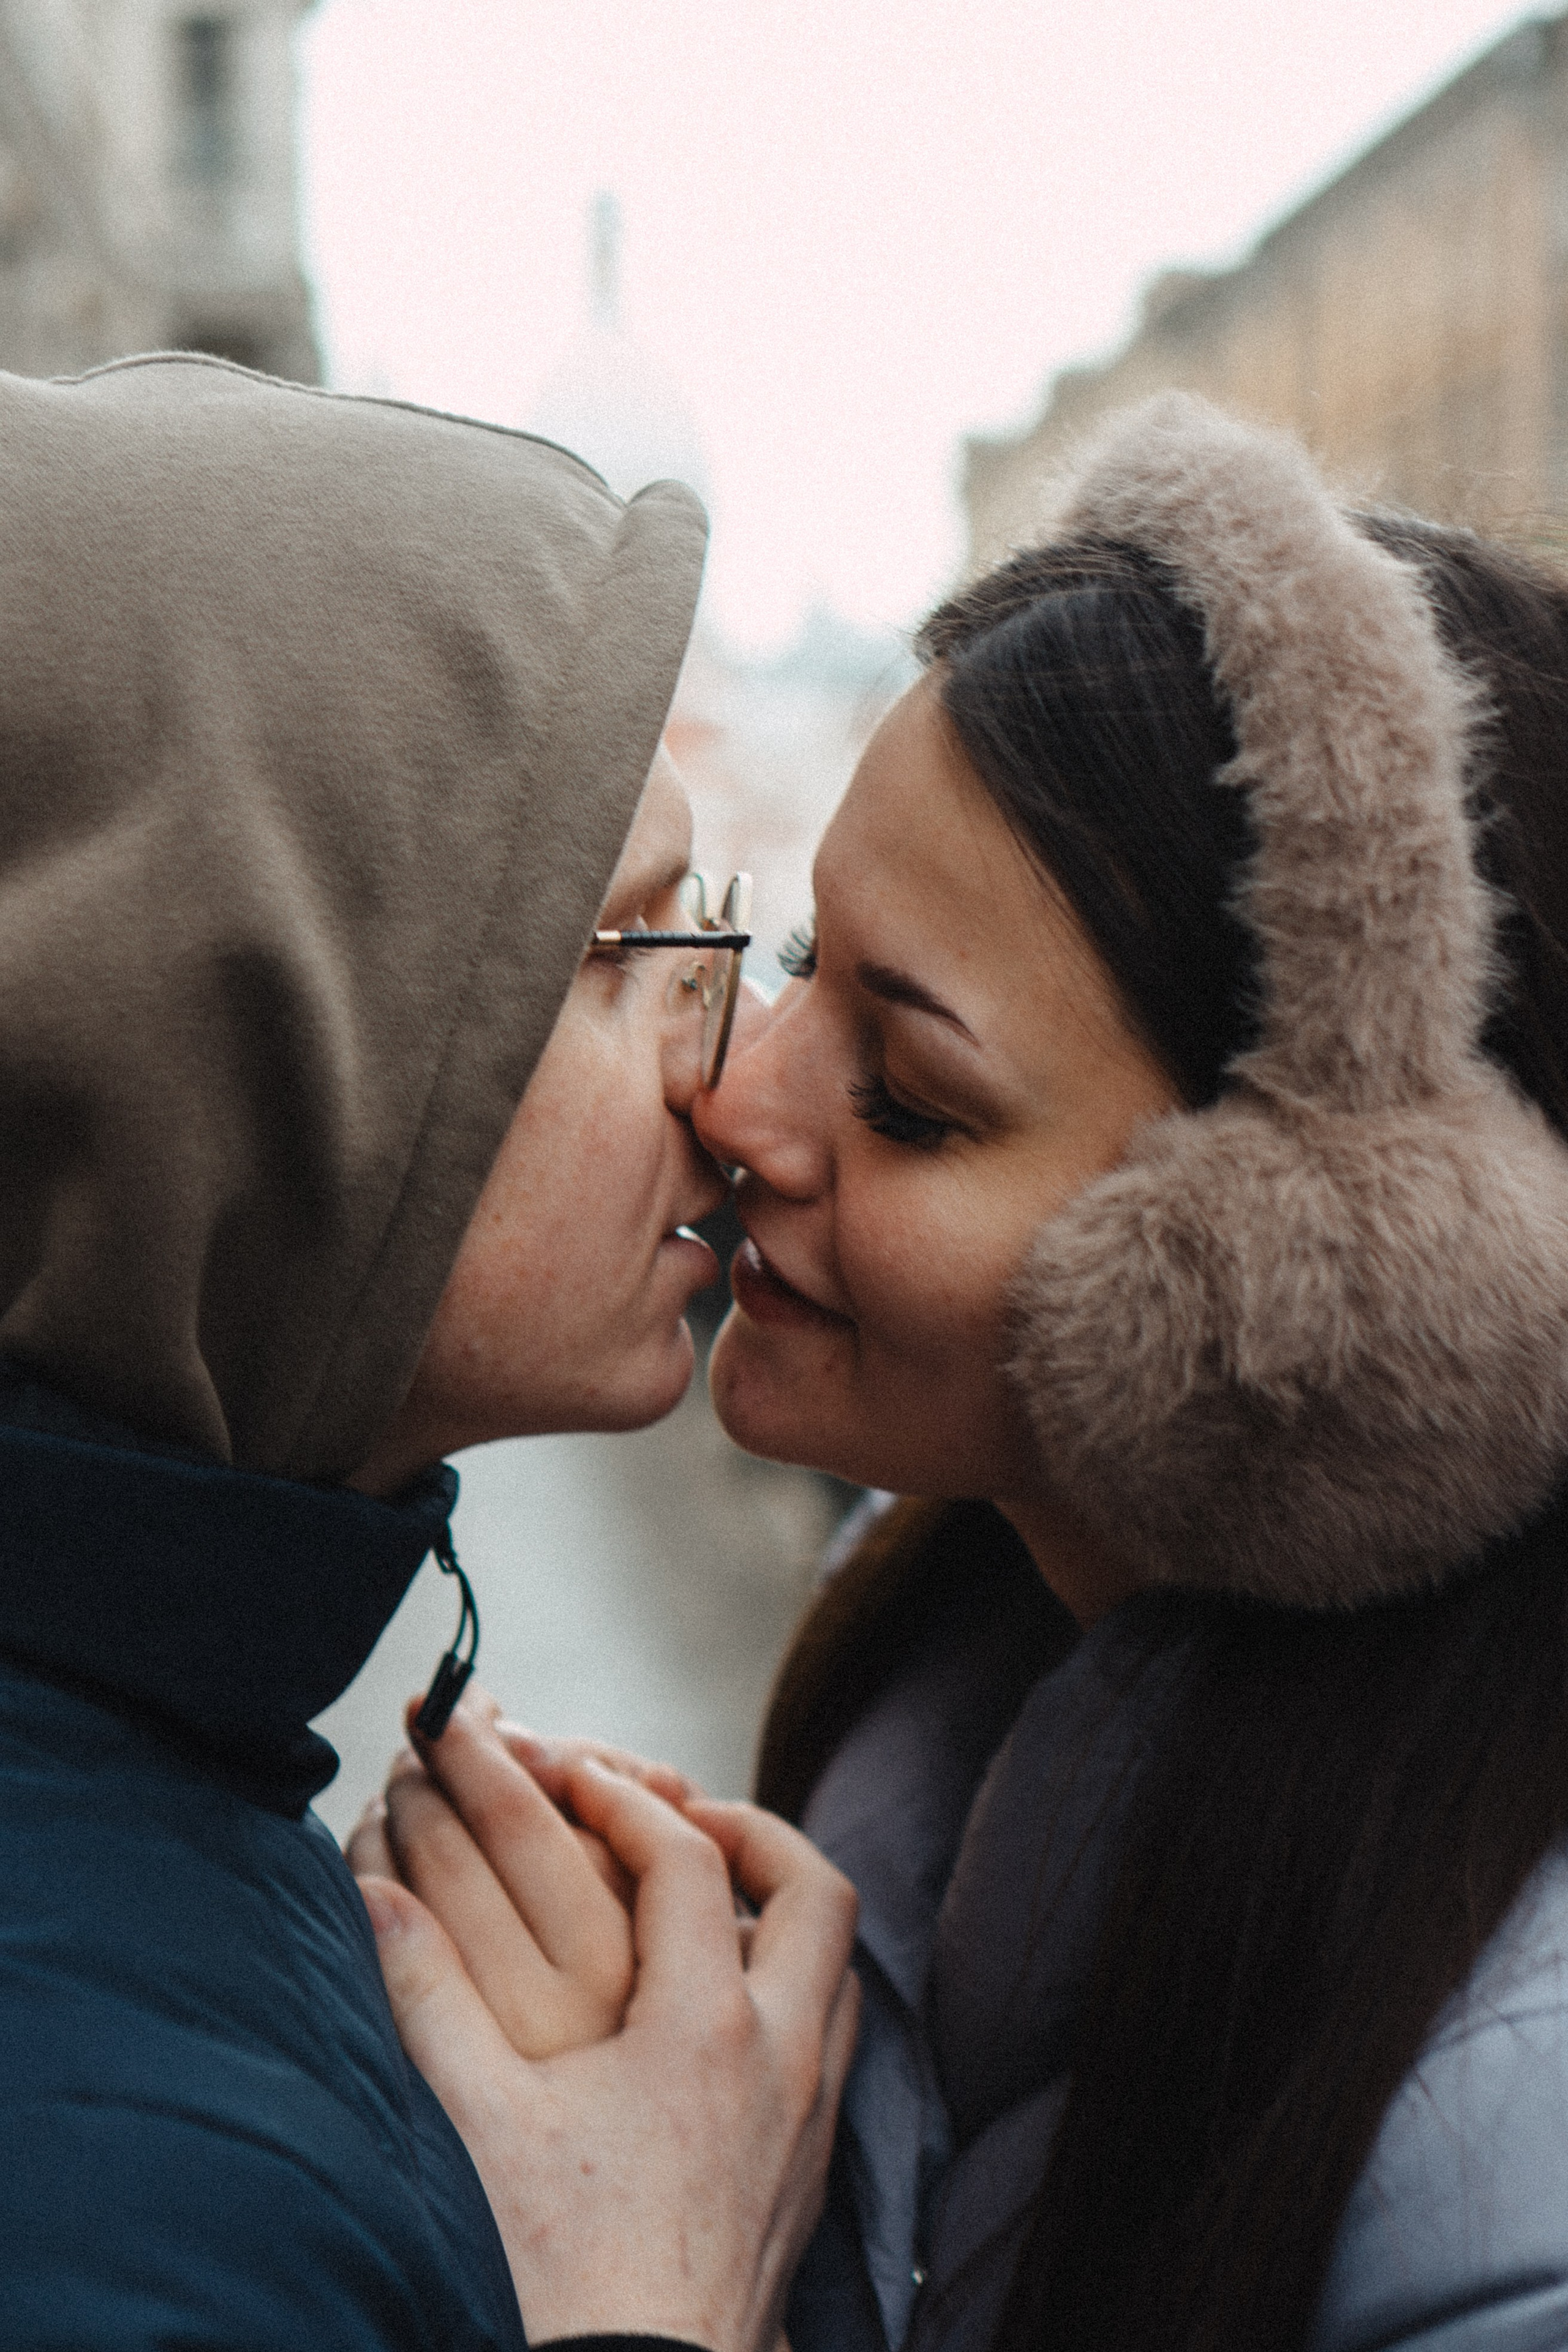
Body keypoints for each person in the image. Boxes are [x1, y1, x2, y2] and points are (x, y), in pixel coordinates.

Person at [368, 394, 1568, 2352]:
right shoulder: (939, 1732)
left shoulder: (1522, 2164)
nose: (737, 1096)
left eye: (914, 1099)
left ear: (1326, 1300)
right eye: (800, 961)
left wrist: (649, 2303)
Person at [0, 352, 858, 2352]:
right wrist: (654, 2297)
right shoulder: (129, 2174)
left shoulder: (141, 1752)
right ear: (258, 1053)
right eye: (633, 942)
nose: (728, 1070)